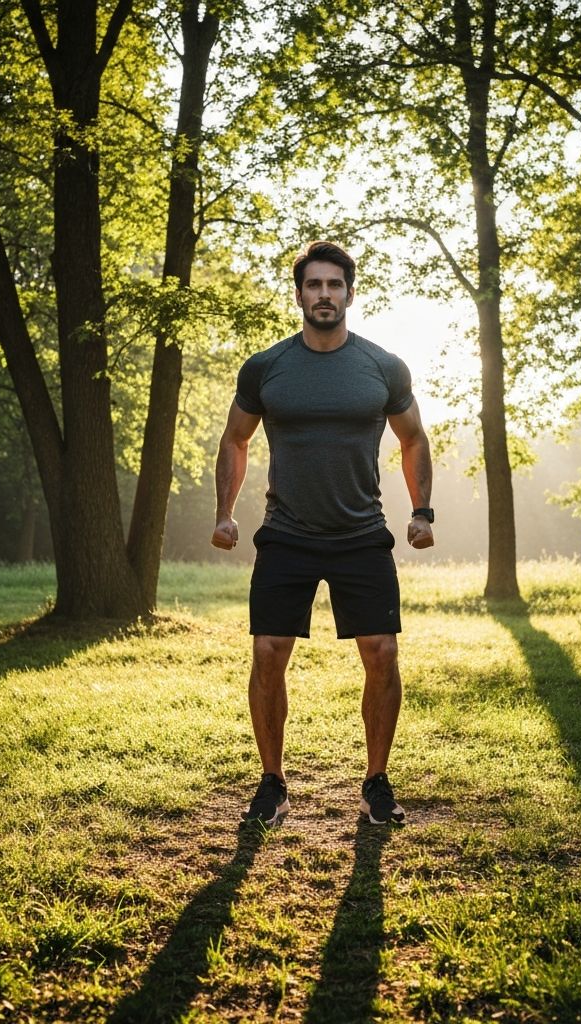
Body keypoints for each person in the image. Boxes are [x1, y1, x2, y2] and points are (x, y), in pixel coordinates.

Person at [212, 240, 434, 827]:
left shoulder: (382, 367)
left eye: (335, 285)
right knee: (266, 653)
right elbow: (236, 440)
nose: (325, 295)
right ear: (299, 295)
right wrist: (224, 512)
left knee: (382, 653)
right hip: (286, 533)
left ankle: (376, 783)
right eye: (314, 285)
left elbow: (413, 439)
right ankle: (272, 783)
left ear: (350, 293)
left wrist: (423, 511)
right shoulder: (267, 368)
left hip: (361, 533)